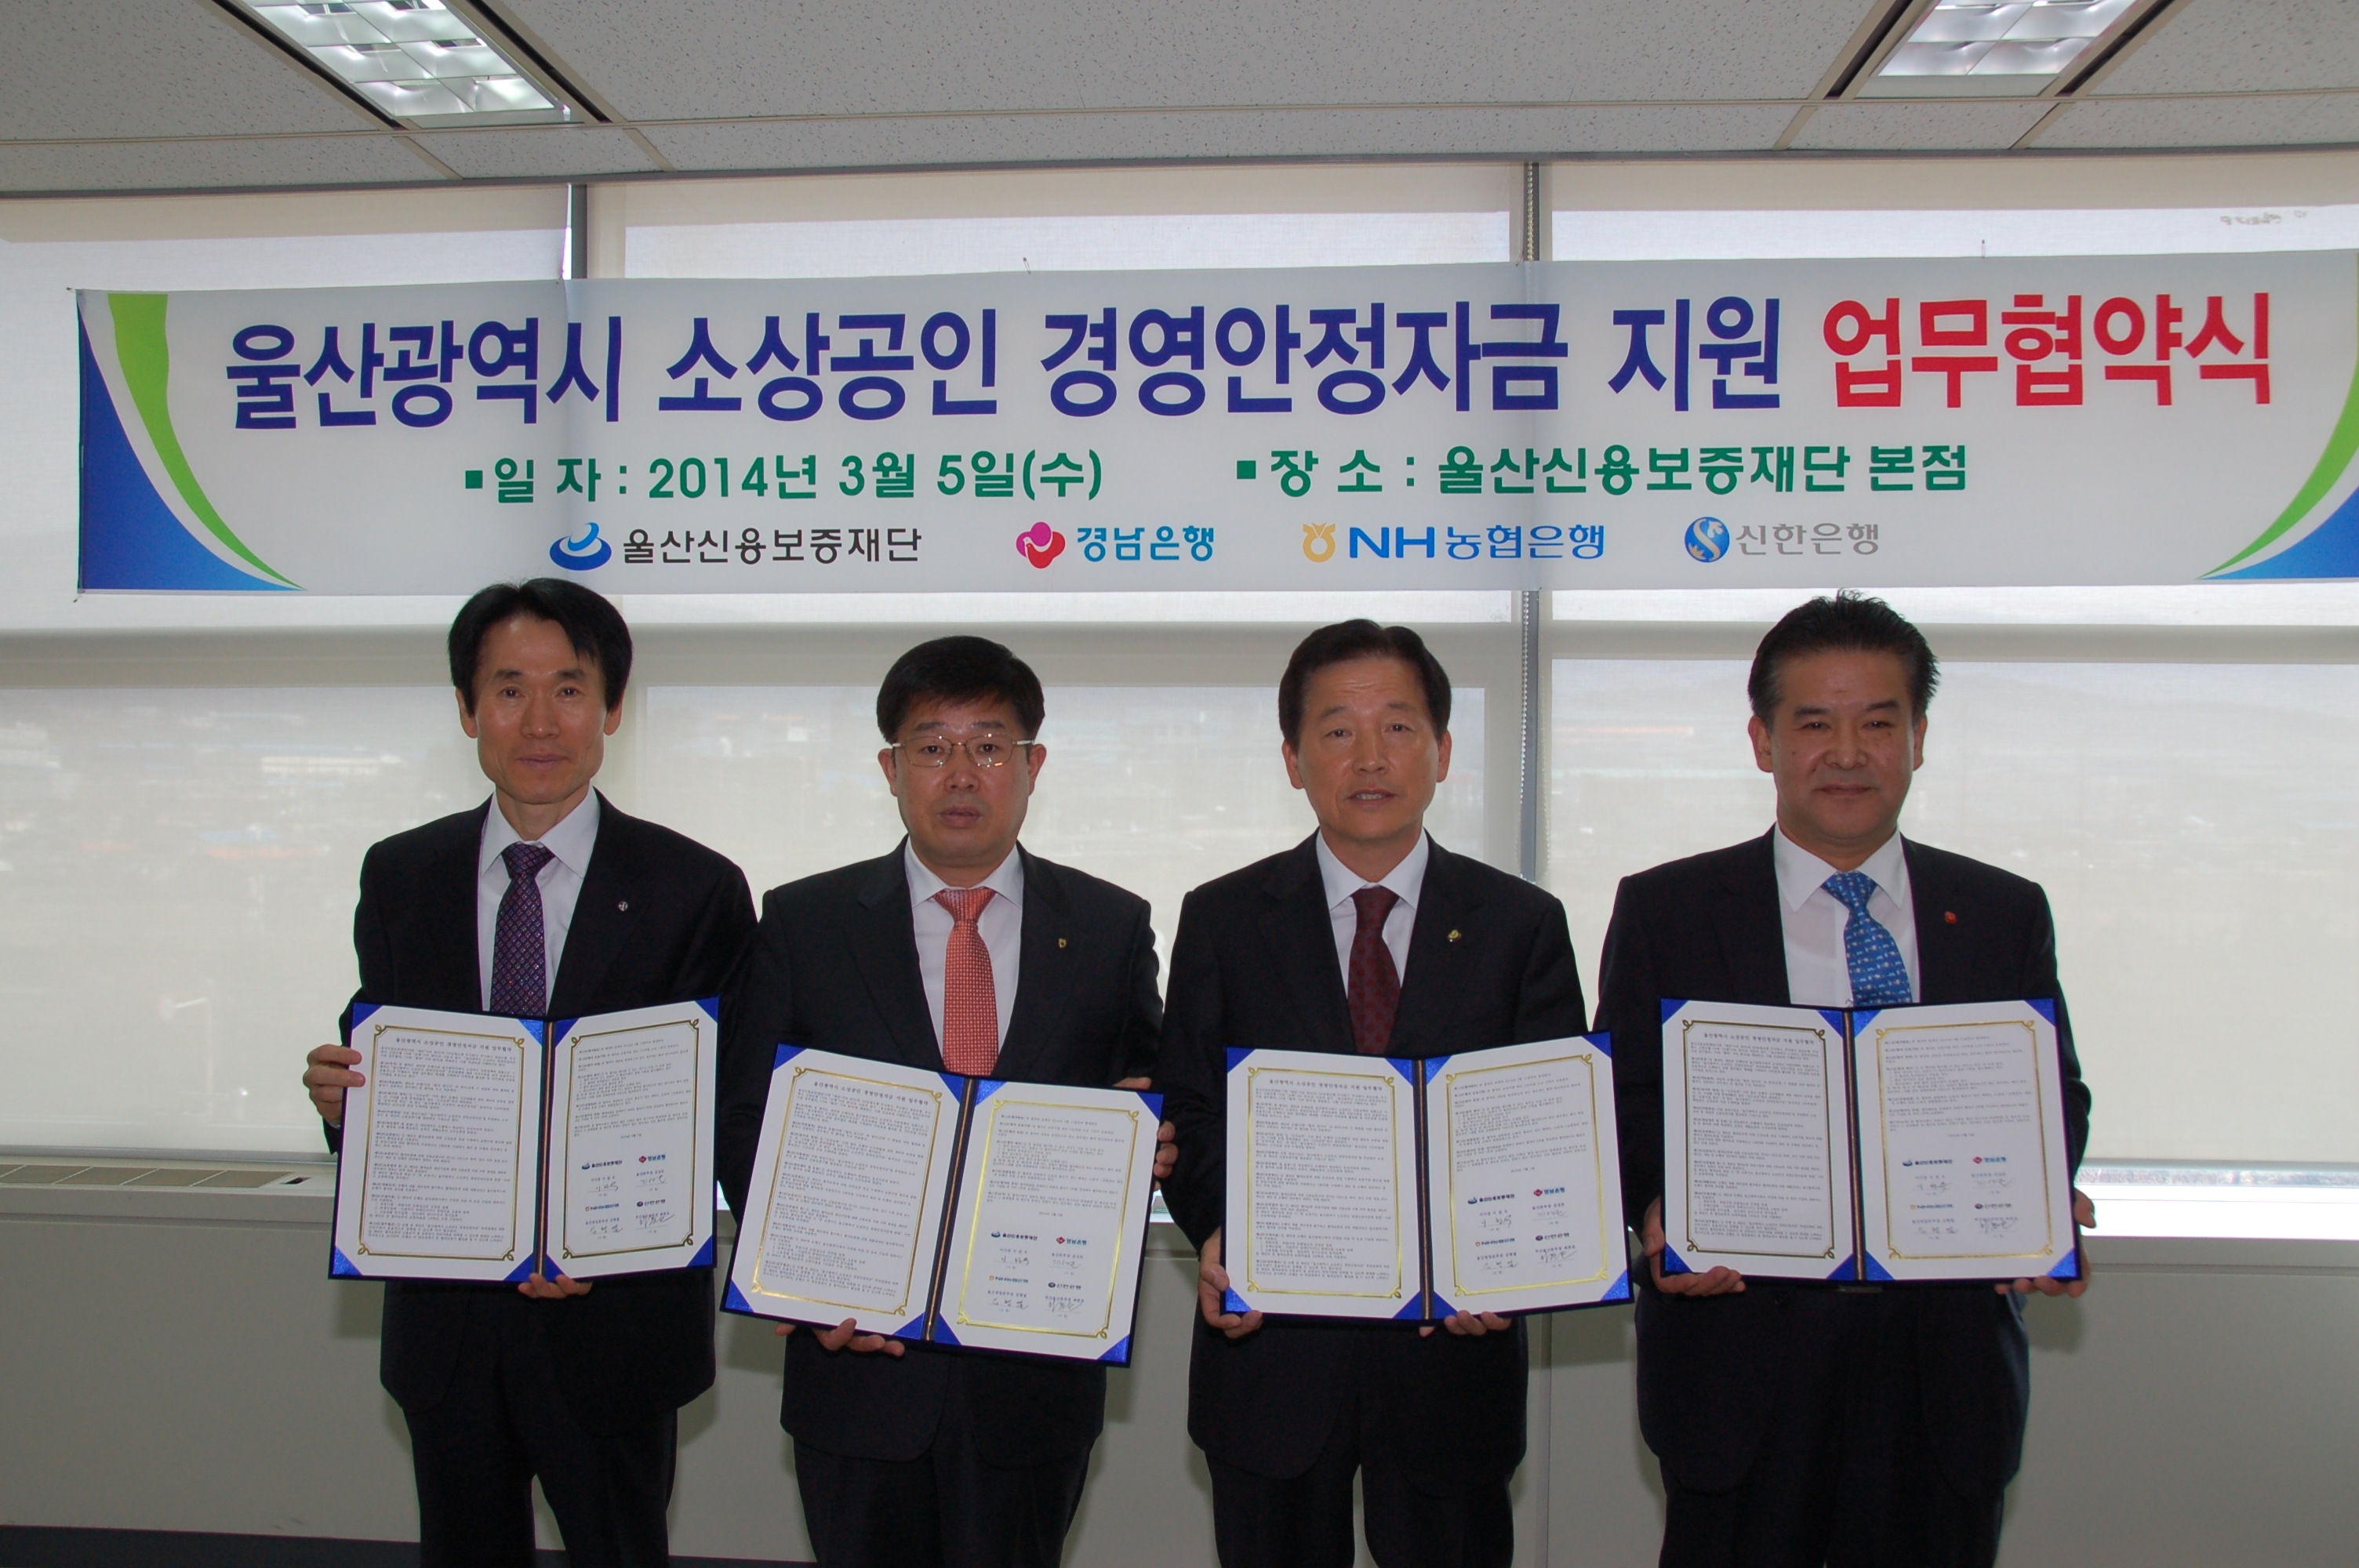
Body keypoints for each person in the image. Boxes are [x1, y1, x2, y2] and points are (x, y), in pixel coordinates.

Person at [1594, 590, 2095, 1568]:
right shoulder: (1669, 907)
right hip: (1738, 1362)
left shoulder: (1999, 909)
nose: (1847, 752)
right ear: (1762, 740)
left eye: (1877, 722)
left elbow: (2051, 1089)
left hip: (1942, 1367)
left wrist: (2039, 1190)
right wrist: (1655, 1206)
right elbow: (1624, 1097)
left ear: (1917, 738)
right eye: (1814, 723)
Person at [300, 579, 757, 1568]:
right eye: (509, 690)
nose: (540, 721)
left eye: (569, 688)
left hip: (616, 1322)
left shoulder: (694, 886)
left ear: (612, 708)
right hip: (448, 1319)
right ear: (468, 709)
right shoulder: (402, 872)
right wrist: (342, 1095)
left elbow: (720, 1106)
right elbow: (384, 1048)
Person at [715, 634, 1171, 1568]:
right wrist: (796, 1276)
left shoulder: (1108, 925)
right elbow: (744, 1121)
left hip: (1033, 1375)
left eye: (990, 746)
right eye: (931, 746)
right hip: (855, 1362)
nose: (961, 773)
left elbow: (1151, 1089)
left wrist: (1156, 1133)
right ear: (891, 769)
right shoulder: (804, 921)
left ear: (1032, 765)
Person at [1158, 619, 1586, 1568]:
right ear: (1292, 757)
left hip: (1452, 1362)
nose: (1368, 757)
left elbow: (1548, 1126)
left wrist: (1506, 1262)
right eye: (1336, 730)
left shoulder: (1519, 923)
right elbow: (1189, 1108)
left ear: (1441, 751)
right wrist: (1225, 1231)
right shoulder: (1223, 917)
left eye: (1397, 726)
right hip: (1271, 1358)